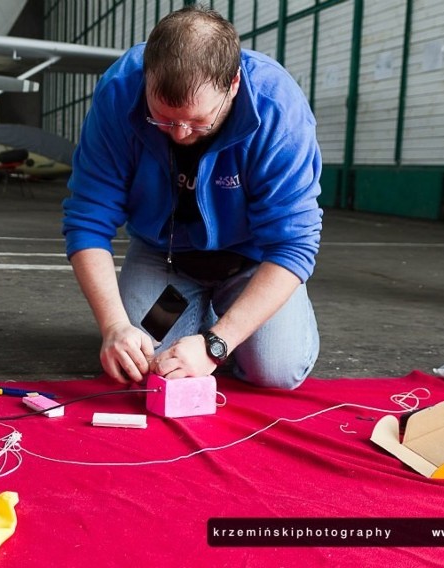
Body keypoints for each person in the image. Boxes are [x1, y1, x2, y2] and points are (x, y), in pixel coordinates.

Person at [62, 5, 322, 389]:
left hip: (251, 261)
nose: (180, 134)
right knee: (145, 358)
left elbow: (294, 246)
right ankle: (192, 316)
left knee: (276, 370)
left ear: (233, 84)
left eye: (199, 122)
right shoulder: (119, 92)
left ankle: (224, 321)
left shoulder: (278, 110)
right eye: (162, 119)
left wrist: (216, 345)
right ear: (146, 78)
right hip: (168, 258)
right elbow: (87, 219)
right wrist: (114, 325)